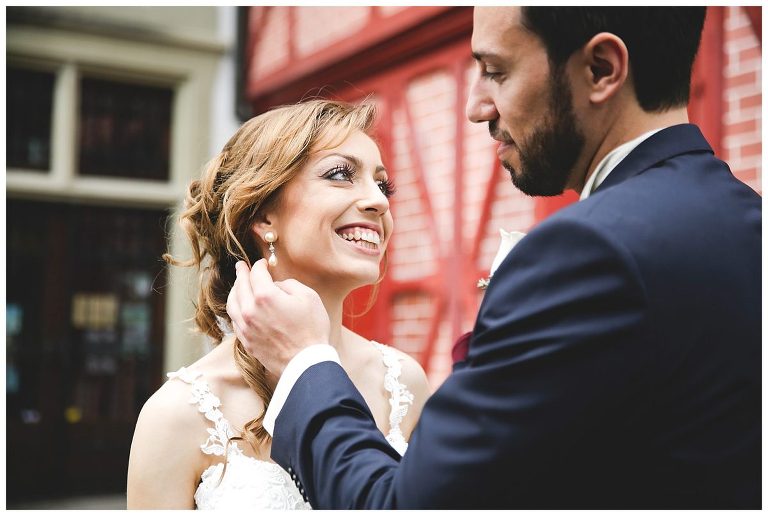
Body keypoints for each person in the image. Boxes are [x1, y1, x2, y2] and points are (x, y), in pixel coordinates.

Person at [225, 7, 761, 509]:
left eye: (497, 72)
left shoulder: (586, 253)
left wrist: (302, 362)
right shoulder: (747, 221)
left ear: (601, 69)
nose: (476, 107)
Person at [126, 100, 431, 509]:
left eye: (382, 184)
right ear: (264, 216)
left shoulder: (403, 383)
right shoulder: (177, 415)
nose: (379, 201)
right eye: (341, 175)